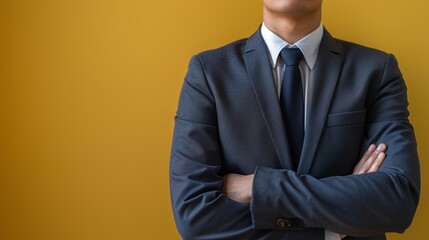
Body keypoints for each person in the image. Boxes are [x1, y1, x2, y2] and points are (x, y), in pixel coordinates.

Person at [169, 0, 420, 239]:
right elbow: (194, 215)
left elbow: (397, 199)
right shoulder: (208, 73)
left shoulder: (377, 71)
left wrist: (259, 187)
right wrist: (327, 233)